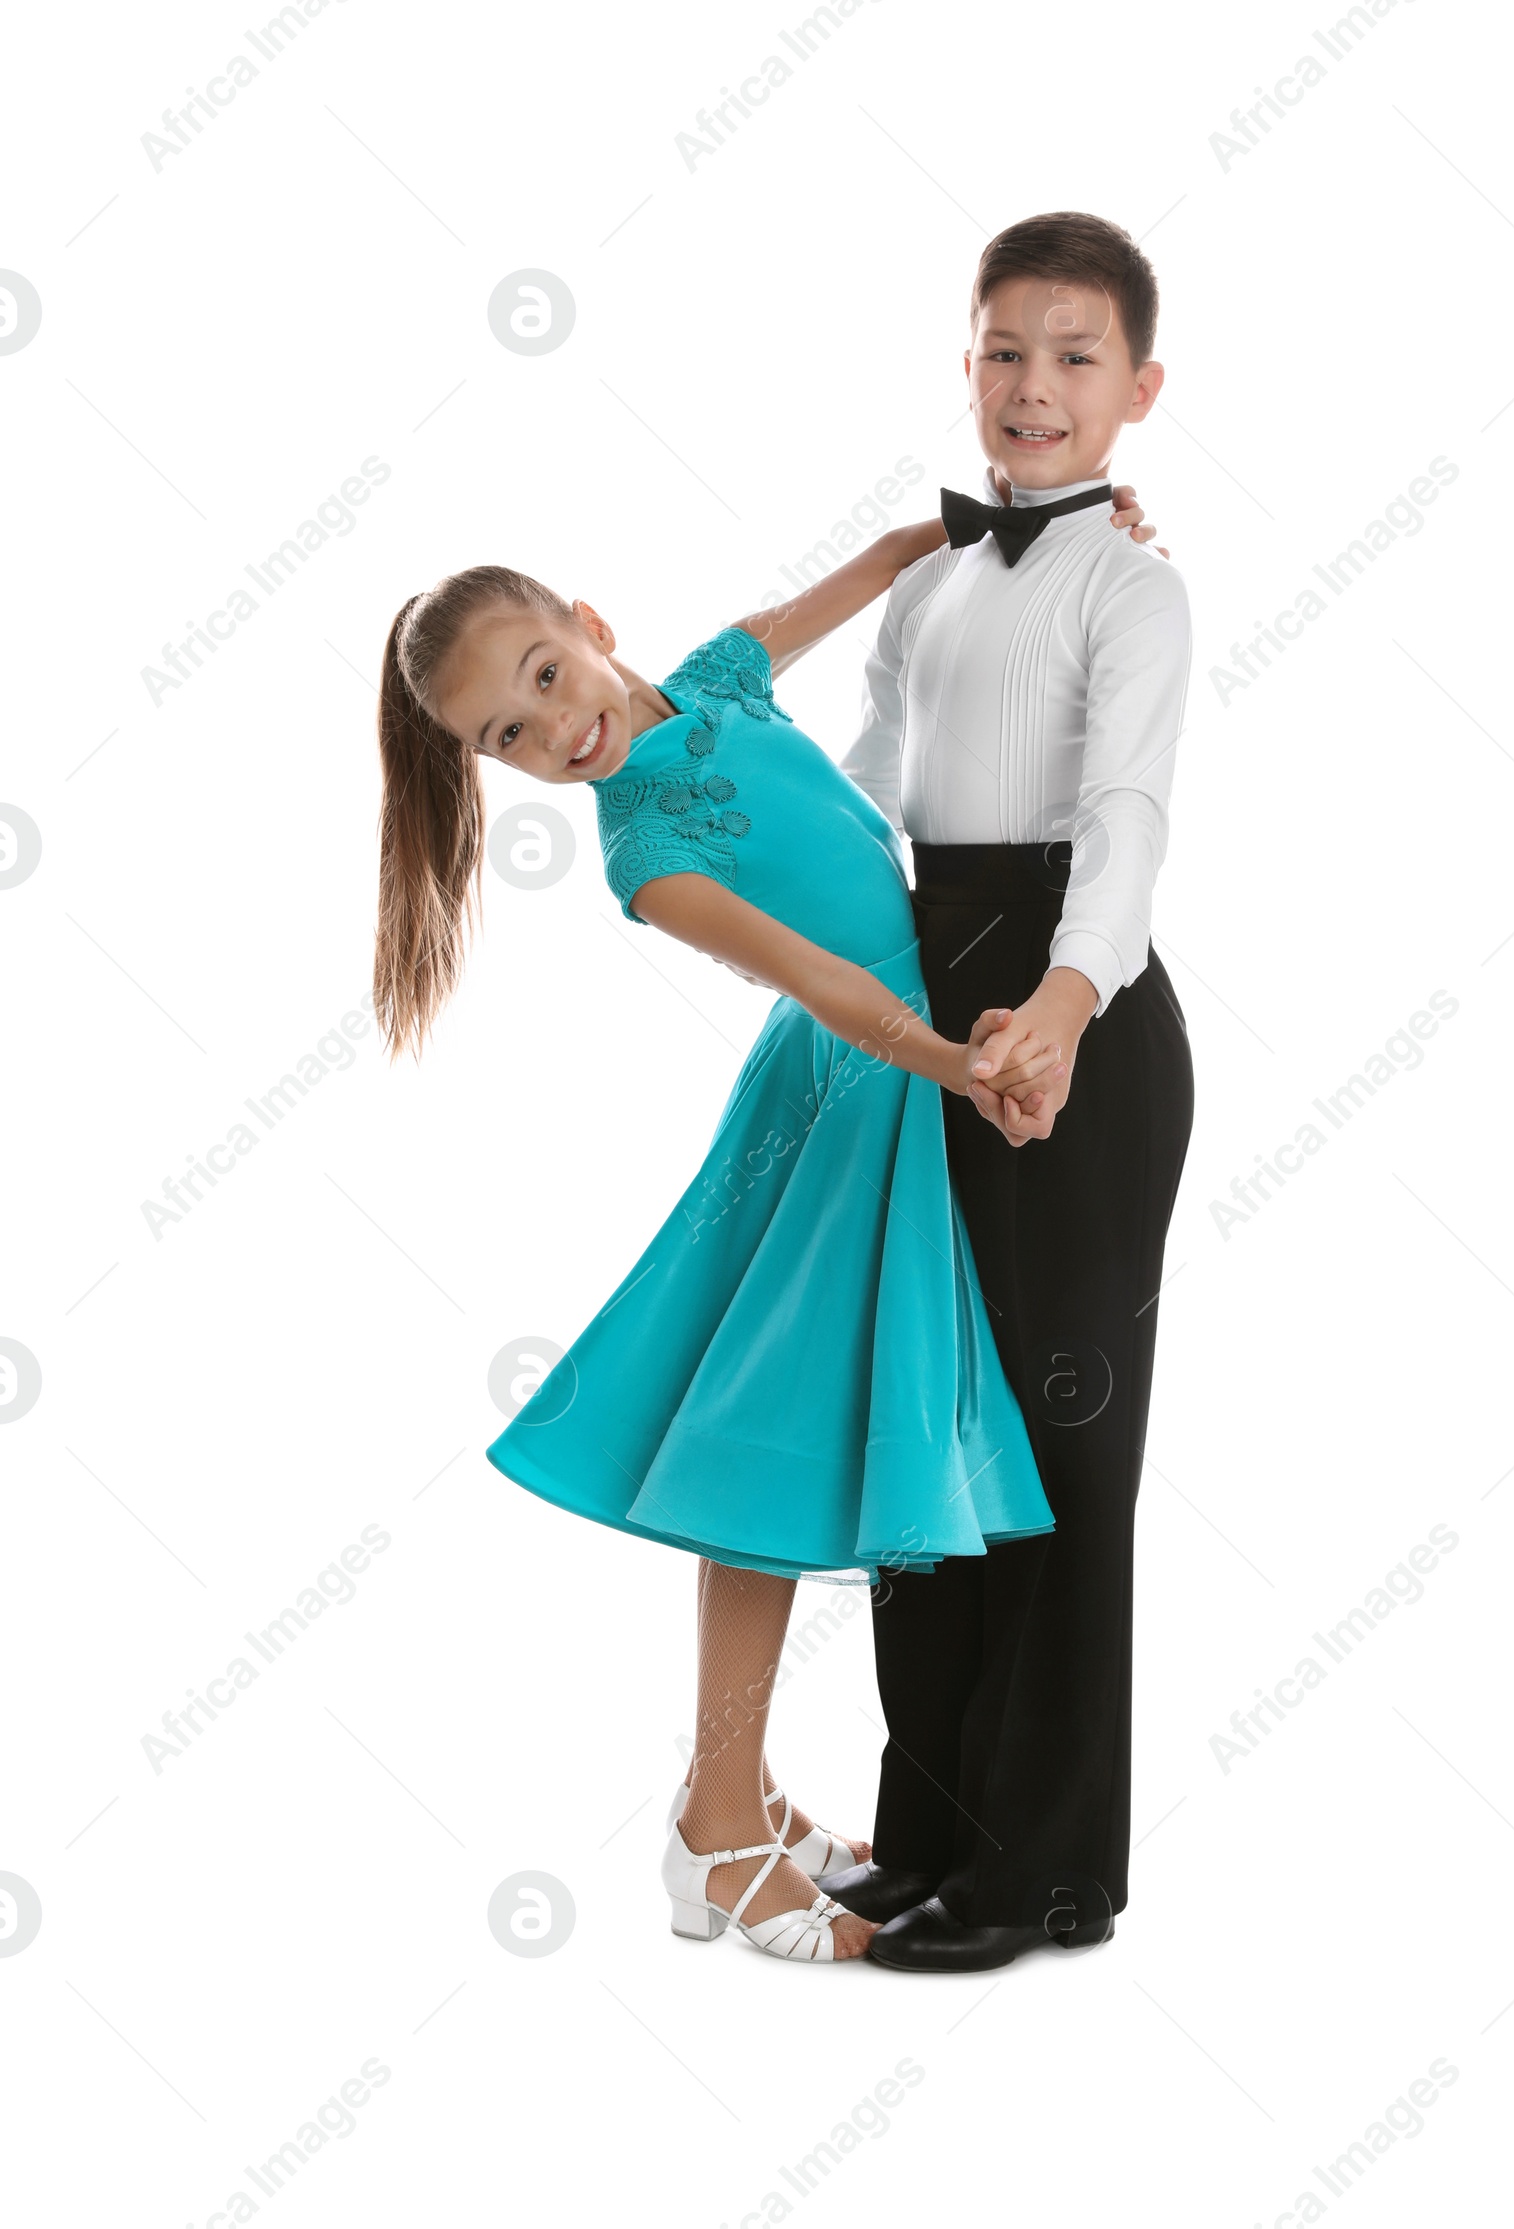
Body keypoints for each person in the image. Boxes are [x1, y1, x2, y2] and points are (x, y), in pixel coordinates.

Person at [367, 493, 1166, 1964]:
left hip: (896, 1078)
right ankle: (719, 1825)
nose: (557, 734)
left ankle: (730, 1799)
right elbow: (839, 990)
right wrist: (970, 1069)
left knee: (808, 1433)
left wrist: (1052, 533)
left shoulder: (719, 677)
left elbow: (866, 570)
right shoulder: (645, 853)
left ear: (590, 627)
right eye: (509, 741)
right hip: (858, 1091)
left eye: (546, 678)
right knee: (770, 1446)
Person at [819, 211, 1196, 1972]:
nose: (1034, 386)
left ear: (1138, 389)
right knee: (926, 1424)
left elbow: (1124, 818)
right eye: (1004, 350)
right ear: (963, 361)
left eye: (1074, 356)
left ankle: (1044, 1868)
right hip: (918, 1009)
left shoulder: (1137, 583)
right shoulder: (926, 579)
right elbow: (859, 793)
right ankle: (929, 1835)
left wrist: (1052, 1005)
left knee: (1057, 1446)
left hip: (1077, 1018)